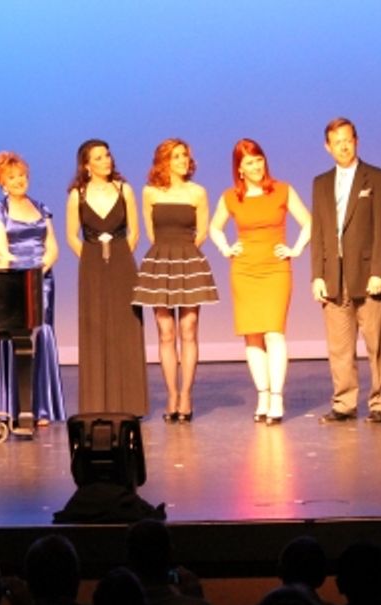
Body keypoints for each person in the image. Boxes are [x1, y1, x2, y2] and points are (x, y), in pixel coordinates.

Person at [209, 139, 311, 424]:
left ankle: (277, 397)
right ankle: (263, 395)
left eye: (259, 160)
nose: (256, 166)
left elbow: (309, 222)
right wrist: (226, 248)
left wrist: (295, 249)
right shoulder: (231, 197)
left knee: (274, 332)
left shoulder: (282, 190)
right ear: (239, 169)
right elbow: (215, 228)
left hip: (275, 269)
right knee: (252, 335)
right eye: (249, 163)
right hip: (244, 270)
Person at [310, 118, 381, 424]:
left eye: (348, 140)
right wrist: (317, 275)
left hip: (368, 276)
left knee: (377, 344)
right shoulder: (320, 183)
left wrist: (380, 271)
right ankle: (344, 403)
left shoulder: (377, 178)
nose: (343, 146)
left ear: (356, 141)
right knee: (339, 348)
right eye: (337, 142)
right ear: (327, 146)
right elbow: (319, 231)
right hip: (334, 277)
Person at [132, 139, 219, 422]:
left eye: (185, 155)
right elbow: (150, 232)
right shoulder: (150, 192)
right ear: (164, 161)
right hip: (161, 259)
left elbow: (202, 231)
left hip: (188, 259)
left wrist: (183, 251)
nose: (183, 160)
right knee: (165, 332)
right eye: (176, 156)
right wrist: (167, 253)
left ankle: (186, 395)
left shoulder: (198, 192)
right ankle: (171, 393)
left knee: (189, 328)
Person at [64, 139, 147, 417]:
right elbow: (71, 236)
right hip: (92, 266)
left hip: (122, 263)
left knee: (126, 326)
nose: (106, 161)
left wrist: (120, 255)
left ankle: (131, 403)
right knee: (96, 327)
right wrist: (91, 258)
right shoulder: (78, 194)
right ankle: (97, 403)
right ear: (87, 165)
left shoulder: (125, 190)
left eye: (108, 155)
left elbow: (135, 232)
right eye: (99, 157)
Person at [0, 151, 66, 426]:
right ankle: (16, 405)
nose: (19, 180)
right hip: (14, 282)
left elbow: (53, 247)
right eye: (12, 177)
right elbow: (1, 252)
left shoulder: (41, 208)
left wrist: (39, 271)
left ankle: (42, 406)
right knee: (16, 338)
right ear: (2, 182)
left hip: (42, 281)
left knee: (42, 334)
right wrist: (24, 277)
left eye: (22, 175)